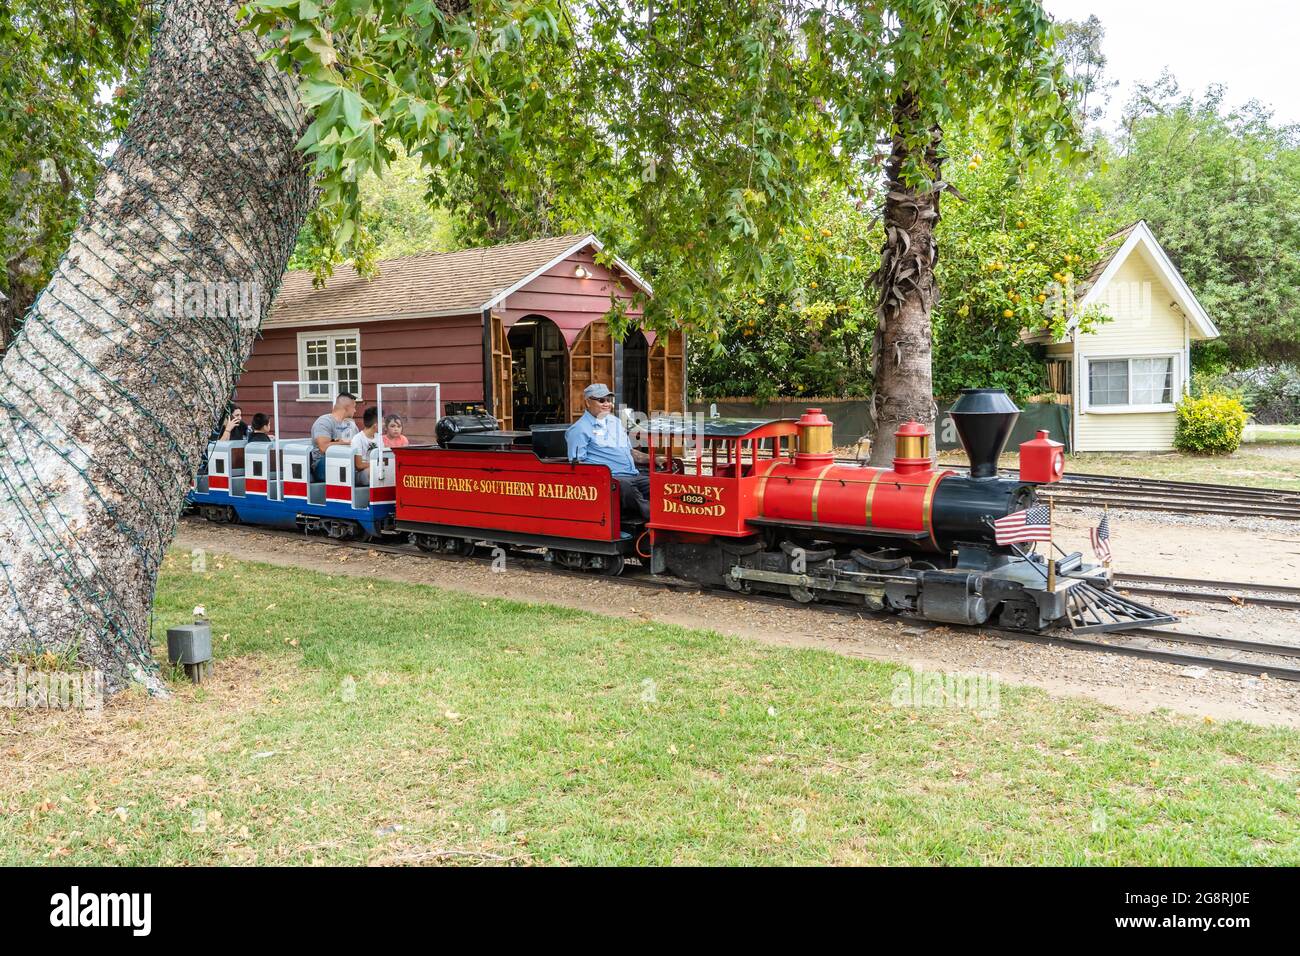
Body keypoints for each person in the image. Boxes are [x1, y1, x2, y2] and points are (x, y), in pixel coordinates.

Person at [565, 383, 650, 520]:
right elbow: (577, 465)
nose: (607, 404)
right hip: (609, 479)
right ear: (587, 402)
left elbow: (631, 452)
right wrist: (605, 475)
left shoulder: (615, 422)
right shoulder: (579, 429)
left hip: (633, 474)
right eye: (601, 400)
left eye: (609, 400)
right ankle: (656, 518)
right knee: (626, 487)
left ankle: (672, 514)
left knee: (659, 484)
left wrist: (655, 459)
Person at [310, 392, 358, 482]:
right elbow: (323, 447)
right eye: (354, 407)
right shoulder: (324, 422)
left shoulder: (351, 425)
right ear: (347, 407)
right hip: (324, 463)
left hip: (348, 460)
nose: (355, 411)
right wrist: (346, 443)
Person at [351, 407, 380, 486]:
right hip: (361, 473)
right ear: (375, 425)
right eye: (383, 421)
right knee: (375, 470)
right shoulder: (358, 439)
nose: (384, 424)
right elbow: (359, 465)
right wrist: (377, 464)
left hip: (376, 468)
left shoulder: (379, 437)